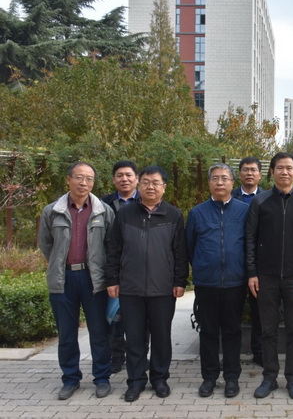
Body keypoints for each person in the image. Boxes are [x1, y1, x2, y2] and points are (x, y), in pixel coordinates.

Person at [105, 165, 189, 403]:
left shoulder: (173, 215)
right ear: (138, 185)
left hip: (163, 288)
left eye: (156, 183)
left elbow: (180, 252)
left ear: (164, 187)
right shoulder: (125, 214)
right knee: (134, 338)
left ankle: (160, 378)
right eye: (146, 182)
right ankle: (136, 381)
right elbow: (114, 249)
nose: (150, 187)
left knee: (162, 337)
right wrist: (112, 280)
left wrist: (180, 281)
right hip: (130, 288)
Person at [38, 161, 115, 400]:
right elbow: (46, 244)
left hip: (94, 279)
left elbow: (111, 246)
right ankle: (70, 379)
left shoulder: (104, 211)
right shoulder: (52, 211)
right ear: (68, 179)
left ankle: (102, 378)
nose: (84, 183)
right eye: (79, 177)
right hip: (64, 279)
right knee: (67, 333)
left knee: (99, 332)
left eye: (89, 179)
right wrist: (60, 264)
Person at [246, 152, 293, 400]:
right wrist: (252, 273)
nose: (284, 172)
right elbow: (250, 239)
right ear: (272, 171)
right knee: (268, 330)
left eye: (289, 168)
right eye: (280, 168)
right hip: (265, 277)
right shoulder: (260, 202)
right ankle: (269, 377)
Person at [186, 163, 249, 398]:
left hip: (235, 282)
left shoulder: (244, 211)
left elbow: (249, 244)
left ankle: (232, 377)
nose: (220, 182)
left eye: (224, 178)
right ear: (209, 183)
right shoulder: (197, 213)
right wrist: (202, 267)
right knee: (208, 332)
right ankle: (209, 377)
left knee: (233, 331)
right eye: (215, 178)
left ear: (233, 183)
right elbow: (189, 247)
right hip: (207, 283)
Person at [100, 160, 139, 374]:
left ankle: (139, 357)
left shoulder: (147, 201)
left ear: (137, 178)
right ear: (114, 179)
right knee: (113, 317)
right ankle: (116, 356)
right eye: (120, 175)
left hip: (139, 270)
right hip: (112, 267)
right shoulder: (102, 204)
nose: (124, 179)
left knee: (140, 319)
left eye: (129, 175)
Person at [232, 156, 265, 366]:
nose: (249, 173)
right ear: (239, 174)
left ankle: (259, 352)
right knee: (232, 312)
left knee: (259, 312)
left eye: (253, 170)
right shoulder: (229, 196)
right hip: (235, 262)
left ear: (260, 175)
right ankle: (232, 355)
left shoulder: (267, 198)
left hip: (259, 264)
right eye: (245, 169)